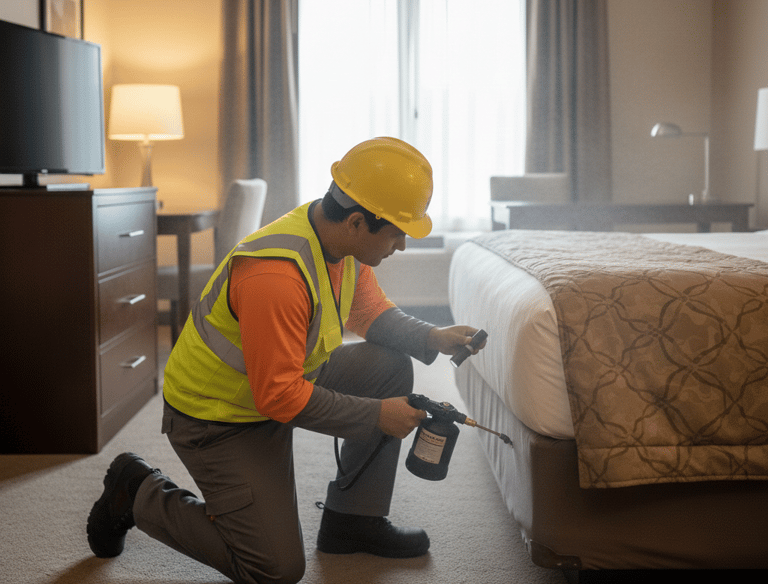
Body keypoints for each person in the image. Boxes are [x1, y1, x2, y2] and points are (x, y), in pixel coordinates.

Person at [86, 137, 485, 584]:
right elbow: (278, 397)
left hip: (279, 384)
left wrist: (433, 336)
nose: (403, 246)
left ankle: (352, 521)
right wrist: (377, 415)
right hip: (218, 418)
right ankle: (136, 490)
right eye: (397, 233)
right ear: (357, 221)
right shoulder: (276, 276)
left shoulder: (337, 243)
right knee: (274, 568)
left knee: (389, 366)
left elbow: (368, 312)